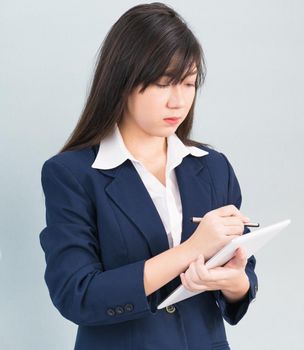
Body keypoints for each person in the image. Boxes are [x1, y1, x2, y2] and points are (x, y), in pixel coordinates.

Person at [39, 3, 258, 349]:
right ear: (122, 81)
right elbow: (77, 294)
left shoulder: (213, 167)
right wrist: (191, 250)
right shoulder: (72, 174)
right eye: (162, 84)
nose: (178, 101)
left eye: (188, 84)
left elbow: (244, 276)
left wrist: (235, 283)